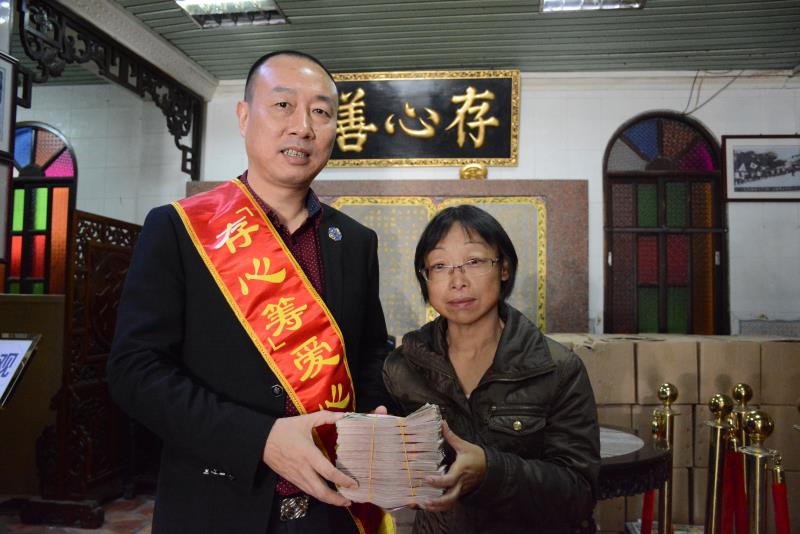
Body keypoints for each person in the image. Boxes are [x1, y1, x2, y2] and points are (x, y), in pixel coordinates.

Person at [108, 50, 392, 534]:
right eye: (283, 105)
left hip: (333, 509)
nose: (303, 126)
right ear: (244, 117)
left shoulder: (355, 241)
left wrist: (374, 417)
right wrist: (259, 438)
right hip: (216, 507)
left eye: (321, 112)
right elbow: (135, 372)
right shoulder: (178, 229)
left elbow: (369, 353)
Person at [383, 205, 600, 533]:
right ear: (425, 279)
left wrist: (491, 472)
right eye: (440, 266)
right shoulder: (403, 367)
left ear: (504, 268)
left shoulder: (557, 369)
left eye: (474, 261)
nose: (457, 281)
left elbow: (579, 493)